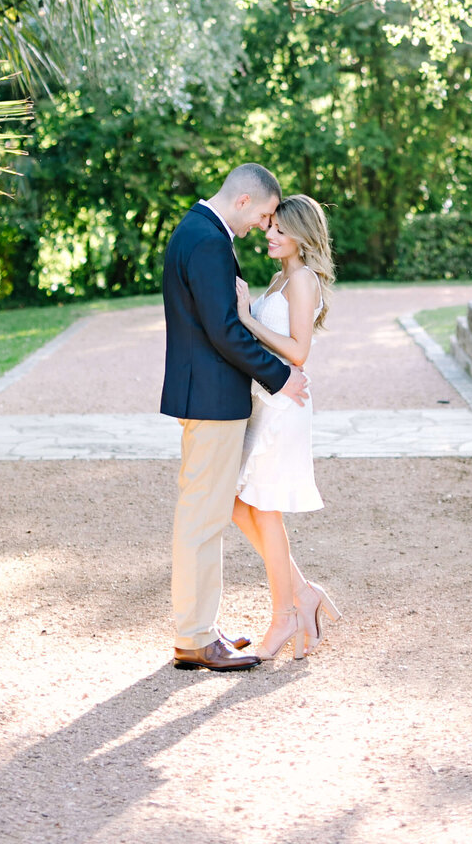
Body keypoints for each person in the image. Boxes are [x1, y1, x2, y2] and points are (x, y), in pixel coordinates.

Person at [161, 163, 309, 672]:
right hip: (211, 400)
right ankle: (195, 637)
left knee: (202, 517)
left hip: (205, 397)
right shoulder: (207, 240)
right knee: (202, 520)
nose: (263, 227)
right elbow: (224, 329)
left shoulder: (196, 230)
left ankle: (198, 629)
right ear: (244, 201)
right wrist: (280, 377)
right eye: (266, 214)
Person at [232, 193, 342, 662]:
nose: (269, 234)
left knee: (263, 507)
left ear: (301, 234)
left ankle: (285, 614)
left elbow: (298, 352)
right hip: (267, 401)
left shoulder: (303, 279)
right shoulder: (283, 275)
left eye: (278, 228)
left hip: (285, 406)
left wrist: (243, 319)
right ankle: (303, 593)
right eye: (269, 226)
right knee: (239, 505)